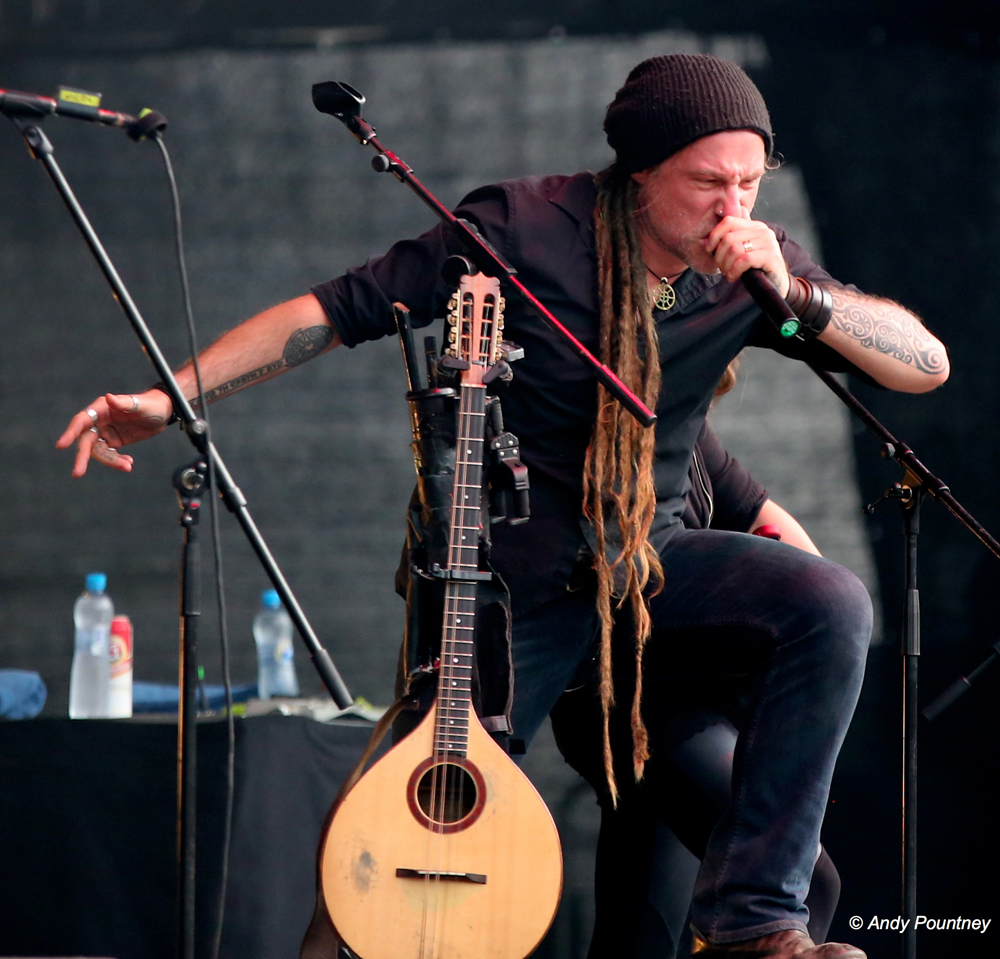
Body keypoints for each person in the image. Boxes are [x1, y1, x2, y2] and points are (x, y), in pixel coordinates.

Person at [58, 54, 949, 958]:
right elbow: (332, 311)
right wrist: (170, 397)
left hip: (647, 576)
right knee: (401, 826)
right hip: (510, 589)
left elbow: (924, 364)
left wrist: (796, 295)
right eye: (708, 183)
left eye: (750, 184)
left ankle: (756, 921)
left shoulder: (755, 267)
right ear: (642, 171)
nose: (733, 209)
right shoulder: (523, 227)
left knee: (830, 600)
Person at [550, 420, 841, 959]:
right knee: (809, 883)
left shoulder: (690, 431)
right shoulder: (600, 417)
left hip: (676, 698)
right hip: (630, 695)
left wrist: (824, 656)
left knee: (642, 927)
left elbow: (767, 520)